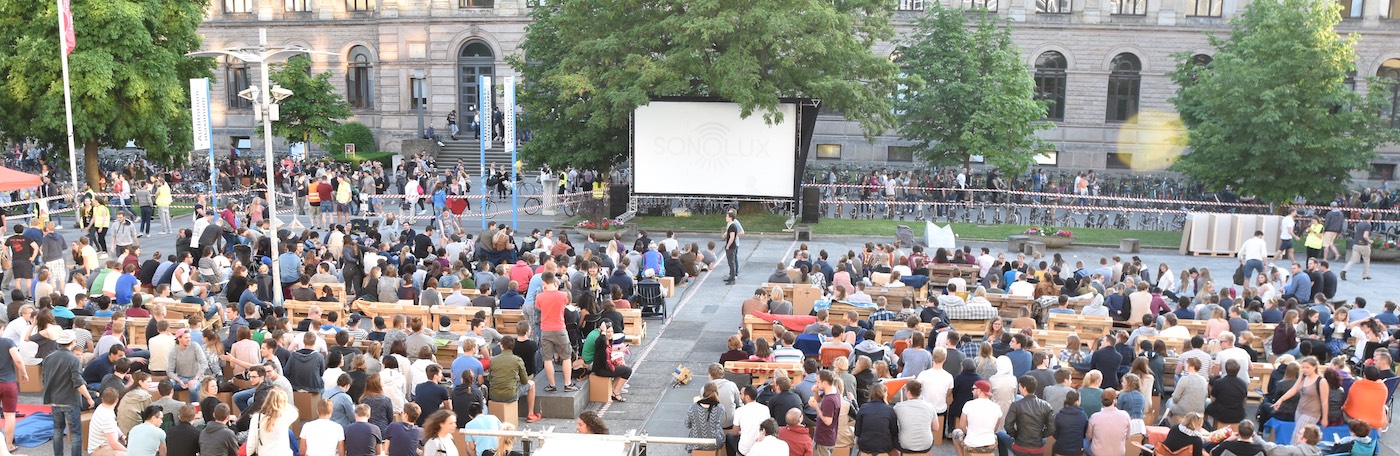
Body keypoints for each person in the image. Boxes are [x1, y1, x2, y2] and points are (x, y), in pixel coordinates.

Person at [42, 329, 91, 456]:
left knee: (57, 430)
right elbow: (78, 382)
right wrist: (89, 398)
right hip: (70, 400)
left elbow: (44, 379)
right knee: (75, 434)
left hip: (54, 400)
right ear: (73, 342)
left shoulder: (49, 358)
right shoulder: (73, 359)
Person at [1273, 356, 1328, 443]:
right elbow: (1294, 389)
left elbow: (1324, 401)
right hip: (1300, 410)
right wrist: (1281, 400)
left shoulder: (1321, 381)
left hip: (1311, 413)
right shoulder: (1303, 376)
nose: (1305, 370)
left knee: (1297, 435)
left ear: (1314, 367)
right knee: (1303, 436)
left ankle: (1291, 452)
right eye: (1303, 367)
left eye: (1307, 367)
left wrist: (1325, 418)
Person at [998, 375, 1052, 456]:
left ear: (1024, 388)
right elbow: (1051, 429)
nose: (1019, 389)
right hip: (1038, 448)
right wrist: (1040, 435)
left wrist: (1016, 436)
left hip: (1020, 447)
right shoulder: (1046, 405)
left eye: (1019, 386)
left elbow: (1008, 426)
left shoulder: (1016, 405)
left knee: (1000, 433)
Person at [954, 380, 1002, 456]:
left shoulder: (969, 404)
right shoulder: (996, 407)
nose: (972, 391)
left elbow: (962, 426)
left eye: (973, 389)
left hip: (972, 445)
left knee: (955, 432)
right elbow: (995, 429)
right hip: (990, 445)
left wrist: (968, 432)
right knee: (994, 435)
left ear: (979, 391)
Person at [893, 378, 939, 455]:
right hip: (926, 444)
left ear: (908, 392)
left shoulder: (898, 407)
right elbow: (936, 427)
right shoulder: (930, 406)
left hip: (906, 445)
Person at [247, 389, 297, 456]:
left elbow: (251, 443)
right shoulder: (285, 417)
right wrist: (281, 400)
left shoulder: (256, 418)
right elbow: (294, 411)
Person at [854, 383, 899, 456]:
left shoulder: (863, 408)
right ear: (884, 394)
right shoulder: (889, 410)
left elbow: (857, 431)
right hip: (884, 446)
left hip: (865, 446)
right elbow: (894, 432)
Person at [685, 383, 726, 453]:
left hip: (696, 443)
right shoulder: (720, 408)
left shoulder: (692, 407)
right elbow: (722, 423)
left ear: (704, 393)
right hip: (715, 442)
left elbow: (687, 425)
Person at [88, 388, 126, 456]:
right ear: (117, 400)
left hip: (102, 446)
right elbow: (114, 444)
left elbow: (114, 426)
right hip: (100, 449)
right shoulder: (106, 418)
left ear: (102, 399)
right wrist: (129, 452)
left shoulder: (102, 408)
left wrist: (122, 436)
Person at [722, 210, 741, 284]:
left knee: (732, 262)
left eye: (727, 216)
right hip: (730, 246)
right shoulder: (730, 225)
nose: (726, 218)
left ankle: (732, 278)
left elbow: (732, 237)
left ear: (730, 217)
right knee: (730, 262)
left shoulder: (733, 226)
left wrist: (728, 245)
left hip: (731, 247)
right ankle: (731, 276)